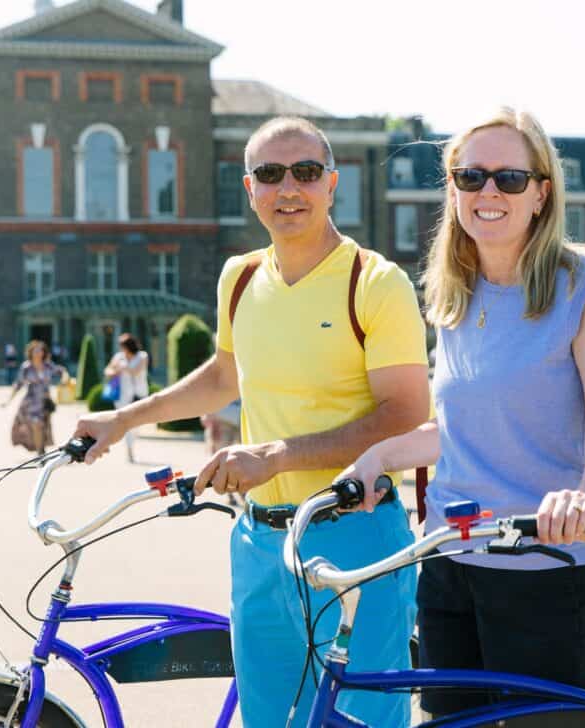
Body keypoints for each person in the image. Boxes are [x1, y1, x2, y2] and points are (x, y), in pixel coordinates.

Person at [73, 116, 429, 727]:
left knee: (365, 721)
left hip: (357, 536)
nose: (288, 187)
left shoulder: (374, 281)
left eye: (305, 172)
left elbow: (405, 413)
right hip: (259, 542)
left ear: (331, 183)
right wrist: (123, 419)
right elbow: (221, 376)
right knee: (267, 719)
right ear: (249, 188)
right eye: (270, 174)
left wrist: (276, 456)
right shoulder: (239, 278)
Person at [337, 108, 585, 722]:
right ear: (453, 190)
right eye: (470, 177)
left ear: (541, 192)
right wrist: (378, 457)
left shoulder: (584, 283)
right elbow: (462, 429)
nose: (488, 192)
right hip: (448, 565)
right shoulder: (452, 291)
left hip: (544, 566)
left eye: (509, 179)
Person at [3, 340, 67, 456]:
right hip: (31, 402)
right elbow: (18, 384)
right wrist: (8, 400)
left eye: (40, 350)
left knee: (43, 427)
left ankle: (41, 449)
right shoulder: (27, 367)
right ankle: (40, 453)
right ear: (31, 353)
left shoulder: (48, 365)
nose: (38, 353)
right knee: (36, 425)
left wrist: (64, 380)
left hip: (45, 402)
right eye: (35, 351)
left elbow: (61, 371)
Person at [102, 333, 150, 464]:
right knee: (126, 423)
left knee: (136, 424)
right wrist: (114, 371)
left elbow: (136, 371)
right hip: (122, 396)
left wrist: (123, 367)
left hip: (139, 395)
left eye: (122, 346)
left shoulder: (142, 356)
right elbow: (107, 371)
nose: (121, 349)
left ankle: (131, 443)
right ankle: (129, 451)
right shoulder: (118, 357)